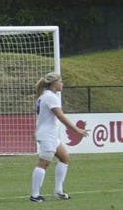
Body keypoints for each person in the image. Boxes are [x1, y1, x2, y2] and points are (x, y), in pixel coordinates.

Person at [30, 72, 88, 202]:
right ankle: (34, 195)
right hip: (47, 135)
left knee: (65, 158)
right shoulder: (50, 97)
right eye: (60, 81)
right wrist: (77, 130)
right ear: (54, 83)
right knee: (43, 163)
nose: (62, 84)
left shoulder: (46, 95)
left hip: (50, 134)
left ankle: (58, 191)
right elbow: (60, 116)